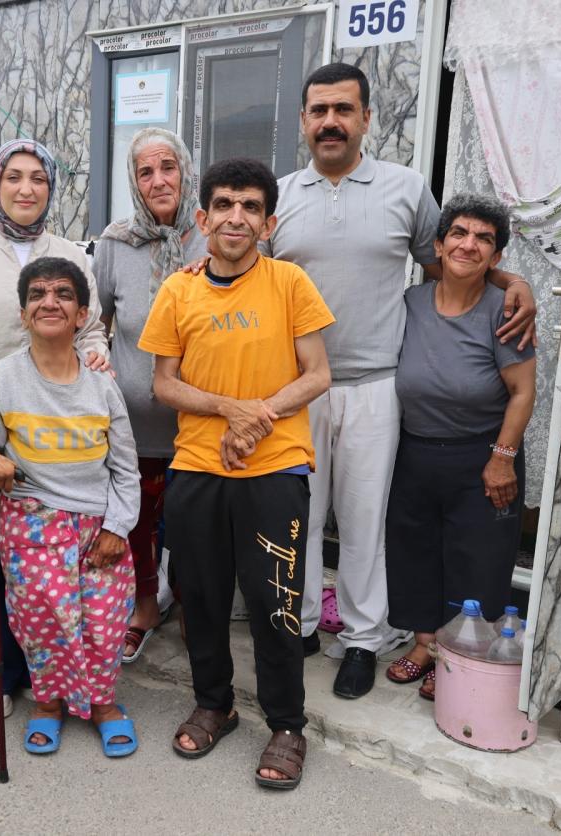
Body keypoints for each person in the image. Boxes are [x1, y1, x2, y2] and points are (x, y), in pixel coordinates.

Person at [266, 62, 538, 699]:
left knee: (365, 520)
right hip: (299, 387)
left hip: (375, 385)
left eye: (344, 109)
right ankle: (298, 626)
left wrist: (512, 280)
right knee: (299, 515)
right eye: (318, 111)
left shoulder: (406, 188)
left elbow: (449, 259)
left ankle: (362, 637)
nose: (331, 121)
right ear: (303, 121)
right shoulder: (280, 197)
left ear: (366, 118)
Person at [139, 158, 335, 790]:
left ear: (268, 223)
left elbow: (317, 374)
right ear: (203, 218)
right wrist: (230, 410)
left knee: (275, 600)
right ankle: (214, 702)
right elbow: (164, 384)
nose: (236, 217)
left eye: (251, 207)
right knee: (201, 597)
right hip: (198, 465)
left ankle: (287, 724)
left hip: (275, 465)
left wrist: (256, 420)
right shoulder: (179, 291)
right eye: (224, 204)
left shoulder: (290, 283)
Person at [0, 139, 109, 720]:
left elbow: (91, 329)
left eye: (38, 178)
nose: (26, 188)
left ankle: (45, 673)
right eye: (14, 176)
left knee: (42, 571)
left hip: (56, 440)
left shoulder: (72, 254)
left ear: (51, 188)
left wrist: (98, 354)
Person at [0, 256, 141, 756]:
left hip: (98, 523)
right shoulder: (6, 376)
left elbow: (125, 467)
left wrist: (117, 527)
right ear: (23, 313)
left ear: (82, 314)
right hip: (31, 521)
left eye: (63, 293)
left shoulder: (102, 385)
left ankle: (104, 704)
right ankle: (48, 703)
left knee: (105, 620)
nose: (50, 302)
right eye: (37, 294)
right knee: (41, 617)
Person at [384, 194, 536, 699]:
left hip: (482, 456)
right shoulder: (411, 302)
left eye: (484, 239)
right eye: (459, 233)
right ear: (439, 244)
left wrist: (502, 460)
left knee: (477, 559)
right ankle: (424, 644)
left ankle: (458, 656)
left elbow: (523, 392)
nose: (469, 245)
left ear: (496, 257)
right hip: (416, 450)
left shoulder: (504, 311)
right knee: (416, 551)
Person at [94, 127, 208, 663]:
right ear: (133, 182)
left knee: (193, 526)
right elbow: (95, 323)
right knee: (135, 525)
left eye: (168, 167)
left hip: (198, 424)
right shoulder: (116, 243)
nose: (158, 180)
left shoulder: (213, 234)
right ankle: (144, 607)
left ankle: (188, 604)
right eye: (145, 172)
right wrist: (97, 360)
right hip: (133, 425)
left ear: (186, 171)